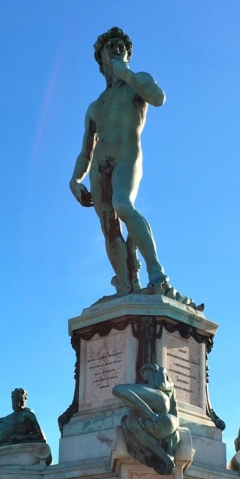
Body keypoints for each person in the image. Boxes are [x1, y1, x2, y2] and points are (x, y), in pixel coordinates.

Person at [69, 27, 168, 295]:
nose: (116, 48)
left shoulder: (137, 80)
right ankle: (125, 287)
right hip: (99, 167)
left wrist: (125, 72)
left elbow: (158, 98)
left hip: (127, 154)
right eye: (110, 45)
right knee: (108, 226)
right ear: (100, 58)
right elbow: (85, 152)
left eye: (121, 45)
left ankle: (158, 276)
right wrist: (75, 180)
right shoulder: (95, 106)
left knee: (123, 205)